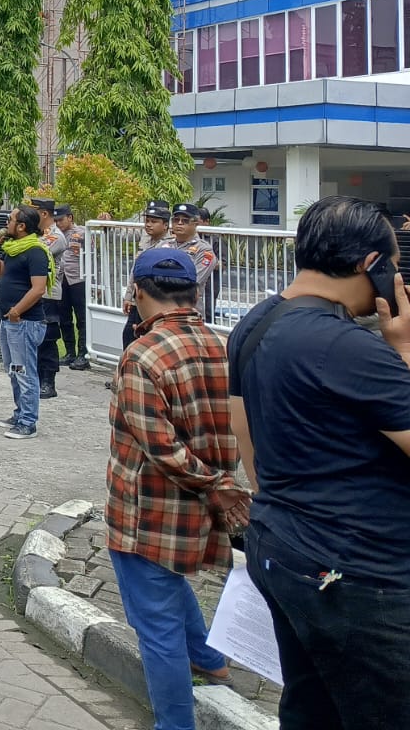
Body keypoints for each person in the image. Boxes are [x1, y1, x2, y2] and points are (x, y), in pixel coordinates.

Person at [228, 196, 410, 730]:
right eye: (394, 264)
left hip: (280, 549)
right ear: (369, 267)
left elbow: (246, 438)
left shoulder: (256, 322)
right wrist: (404, 351)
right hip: (359, 573)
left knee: (312, 708)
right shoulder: (350, 348)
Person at [106, 247, 248, 730]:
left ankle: (174, 723)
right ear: (193, 291)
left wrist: (216, 485)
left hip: (146, 511)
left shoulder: (142, 356)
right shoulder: (222, 344)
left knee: (155, 628)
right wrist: (223, 485)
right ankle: (209, 659)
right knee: (169, 588)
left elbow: (161, 449)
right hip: (198, 509)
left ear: (138, 292)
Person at [0, 205, 51, 441]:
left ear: (22, 226)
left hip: (24, 322)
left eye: (10, 219)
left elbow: (38, 288)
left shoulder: (35, 251)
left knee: (25, 372)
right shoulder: (13, 248)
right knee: (14, 371)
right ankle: (19, 412)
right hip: (10, 323)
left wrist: (16, 311)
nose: (6, 223)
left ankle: (28, 422)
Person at [122, 201, 173, 348]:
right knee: (129, 335)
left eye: (154, 221)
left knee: (149, 339)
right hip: (138, 298)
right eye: (147, 221)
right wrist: (128, 295)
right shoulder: (146, 240)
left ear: (165, 225)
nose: (148, 224)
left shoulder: (169, 245)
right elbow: (135, 270)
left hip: (154, 300)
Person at [30, 198, 66, 400]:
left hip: (48, 294)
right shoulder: (38, 235)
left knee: (48, 339)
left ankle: (48, 381)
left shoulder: (55, 237)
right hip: (34, 292)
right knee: (34, 338)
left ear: (43, 214)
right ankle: (36, 378)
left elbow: (34, 252)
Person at [54, 204, 90, 371]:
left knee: (82, 319)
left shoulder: (83, 232)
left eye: (61, 220)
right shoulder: (54, 235)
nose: (58, 223)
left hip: (78, 280)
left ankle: (83, 353)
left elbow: (95, 253)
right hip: (61, 279)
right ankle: (70, 352)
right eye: (56, 221)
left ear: (70, 217)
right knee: (64, 318)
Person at [167, 203, 217, 318]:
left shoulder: (204, 250)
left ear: (196, 223)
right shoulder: (163, 244)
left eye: (185, 221)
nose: (179, 223)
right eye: (176, 220)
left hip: (188, 312)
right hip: (162, 310)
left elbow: (192, 281)